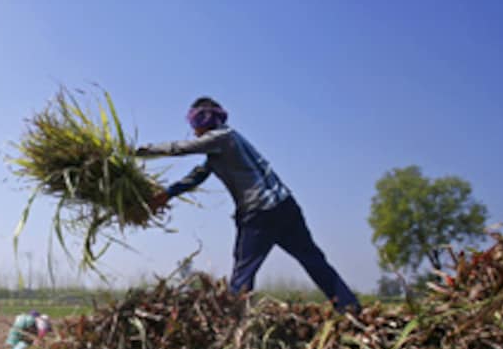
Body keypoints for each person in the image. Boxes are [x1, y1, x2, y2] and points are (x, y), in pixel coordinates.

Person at [137, 96, 361, 313]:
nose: (194, 130)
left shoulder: (221, 138)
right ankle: (348, 307)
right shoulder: (223, 146)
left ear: (204, 122)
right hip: (285, 206)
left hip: (260, 213)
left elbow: (181, 148)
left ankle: (235, 323)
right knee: (312, 259)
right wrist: (167, 194)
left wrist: (142, 152)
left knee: (242, 273)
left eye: (195, 124)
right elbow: (197, 175)